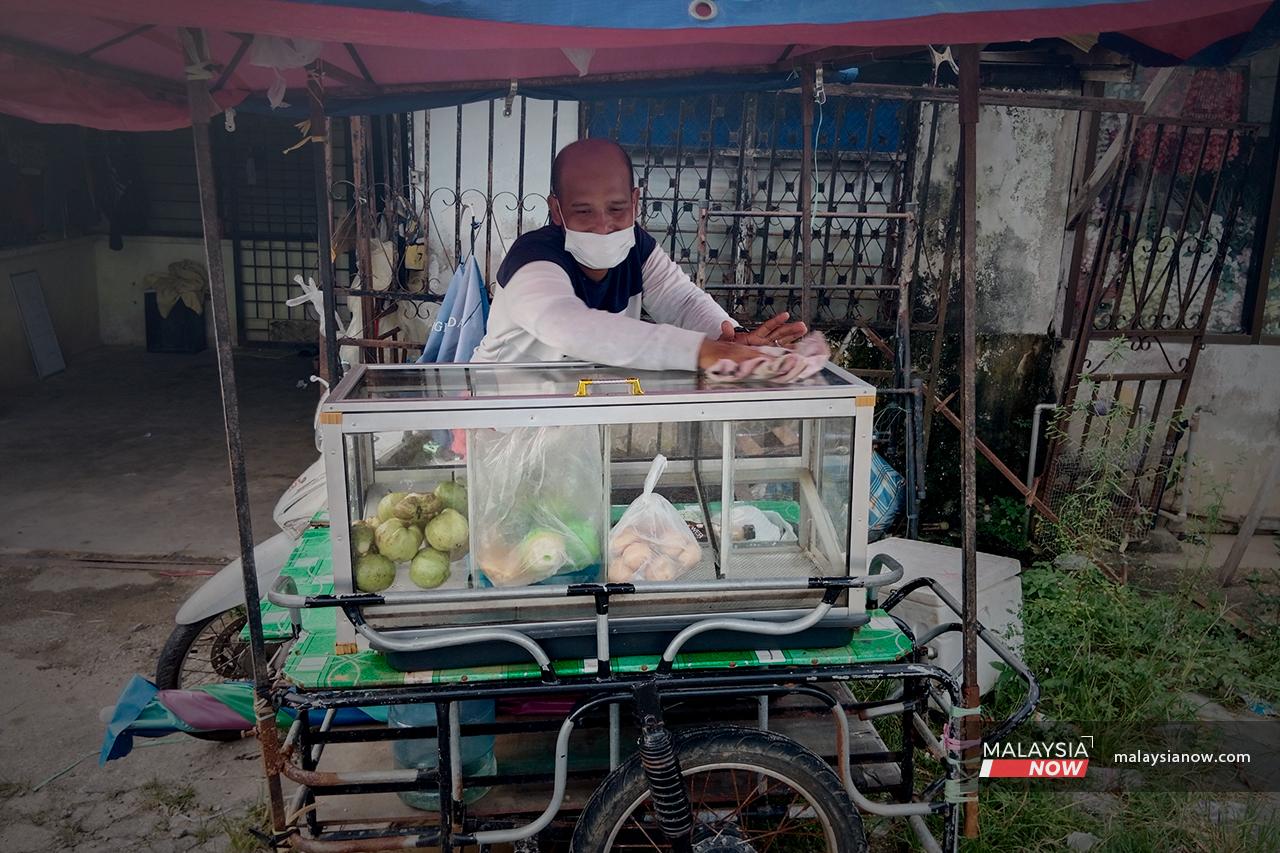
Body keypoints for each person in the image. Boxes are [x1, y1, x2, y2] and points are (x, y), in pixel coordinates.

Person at [471, 138, 806, 371]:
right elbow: (567, 326)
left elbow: (682, 302)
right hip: (499, 427)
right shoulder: (532, 260)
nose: (604, 227)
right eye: (584, 212)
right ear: (556, 210)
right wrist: (702, 351)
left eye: (616, 208)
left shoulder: (637, 248)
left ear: (635, 202)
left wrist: (729, 339)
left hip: (571, 426)